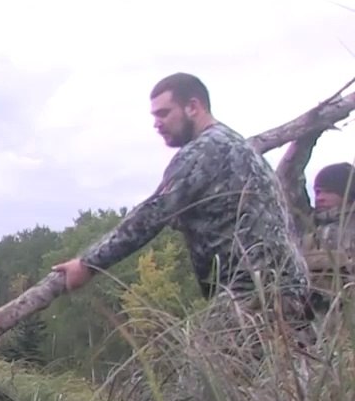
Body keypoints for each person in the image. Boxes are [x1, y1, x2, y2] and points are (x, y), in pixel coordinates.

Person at [52, 73, 313, 330]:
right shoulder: (235, 145)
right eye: (154, 116)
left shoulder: (204, 150)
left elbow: (151, 215)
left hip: (252, 295)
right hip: (289, 290)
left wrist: (87, 264)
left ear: (193, 107)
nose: (157, 123)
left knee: (211, 369)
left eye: (164, 113)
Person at [304, 161, 355, 313]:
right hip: (308, 318)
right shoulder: (307, 221)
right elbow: (288, 177)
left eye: (327, 192)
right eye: (317, 192)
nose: (320, 198)